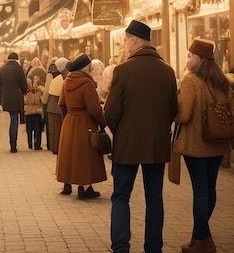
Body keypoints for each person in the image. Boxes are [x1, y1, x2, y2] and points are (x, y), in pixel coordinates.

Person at [105, 20, 178, 253]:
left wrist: (119, 130)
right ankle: (153, 247)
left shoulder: (123, 70)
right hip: (156, 144)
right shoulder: (167, 71)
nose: (125, 44)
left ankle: (120, 246)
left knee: (120, 196)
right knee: (154, 198)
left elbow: (111, 111)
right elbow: (173, 109)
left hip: (127, 143)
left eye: (126, 40)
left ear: (134, 41)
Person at [173, 38, 233, 253]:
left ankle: (203, 240)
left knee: (200, 190)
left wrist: (174, 108)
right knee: (210, 188)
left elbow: (183, 114)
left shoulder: (191, 81)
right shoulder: (222, 81)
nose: (187, 59)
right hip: (218, 143)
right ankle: (199, 237)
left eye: (190, 55)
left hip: (196, 146)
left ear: (199, 59)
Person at [56, 53, 107, 198]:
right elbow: (94, 109)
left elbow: (62, 104)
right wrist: (103, 121)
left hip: (69, 121)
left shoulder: (66, 82)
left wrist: (67, 118)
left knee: (69, 154)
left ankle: (67, 184)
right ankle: (84, 188)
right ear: (85, 68)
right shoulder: (87, 84)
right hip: (84, 122)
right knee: (85, 156)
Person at [0, 52, 29, 153]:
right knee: (14, 120)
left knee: (12, 118)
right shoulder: (18, 69)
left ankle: (12, 144)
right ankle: (13, 145)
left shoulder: (3, 69)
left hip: (6, 99)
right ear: (17, 59)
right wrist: (24, 92)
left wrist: (3, 94)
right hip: (16, 98)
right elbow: (24, 85)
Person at [46, 57, 68, 154]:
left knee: (54, 131)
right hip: (58, 106)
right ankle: (59, 148)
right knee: (58, 130)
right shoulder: (62, 79)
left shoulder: (55, 78)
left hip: (51, 105)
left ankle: (55, 148)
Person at [24, 75, 44, 150]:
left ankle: (30, 143)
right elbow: (41, 100)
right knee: (37, 128)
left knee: (29, 128)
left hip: (28, 112)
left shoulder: (26, 93)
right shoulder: (38, 91)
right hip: (37, 112)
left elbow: (24, 101)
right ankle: (37, 144)